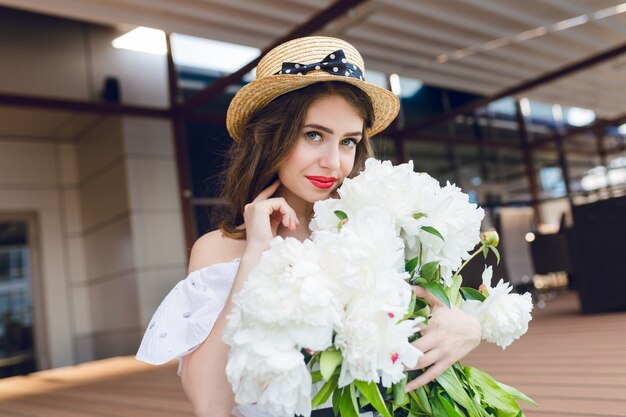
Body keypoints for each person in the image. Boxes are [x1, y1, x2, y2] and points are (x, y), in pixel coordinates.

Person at [137, 36, 482, 417]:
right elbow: (210, 404)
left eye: (348, 141)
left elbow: (439, 311)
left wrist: (467, 326)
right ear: (266, 137)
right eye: (313, 135)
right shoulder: (219, 250)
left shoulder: (375, 225)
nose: (333, 162)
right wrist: (255, 255)